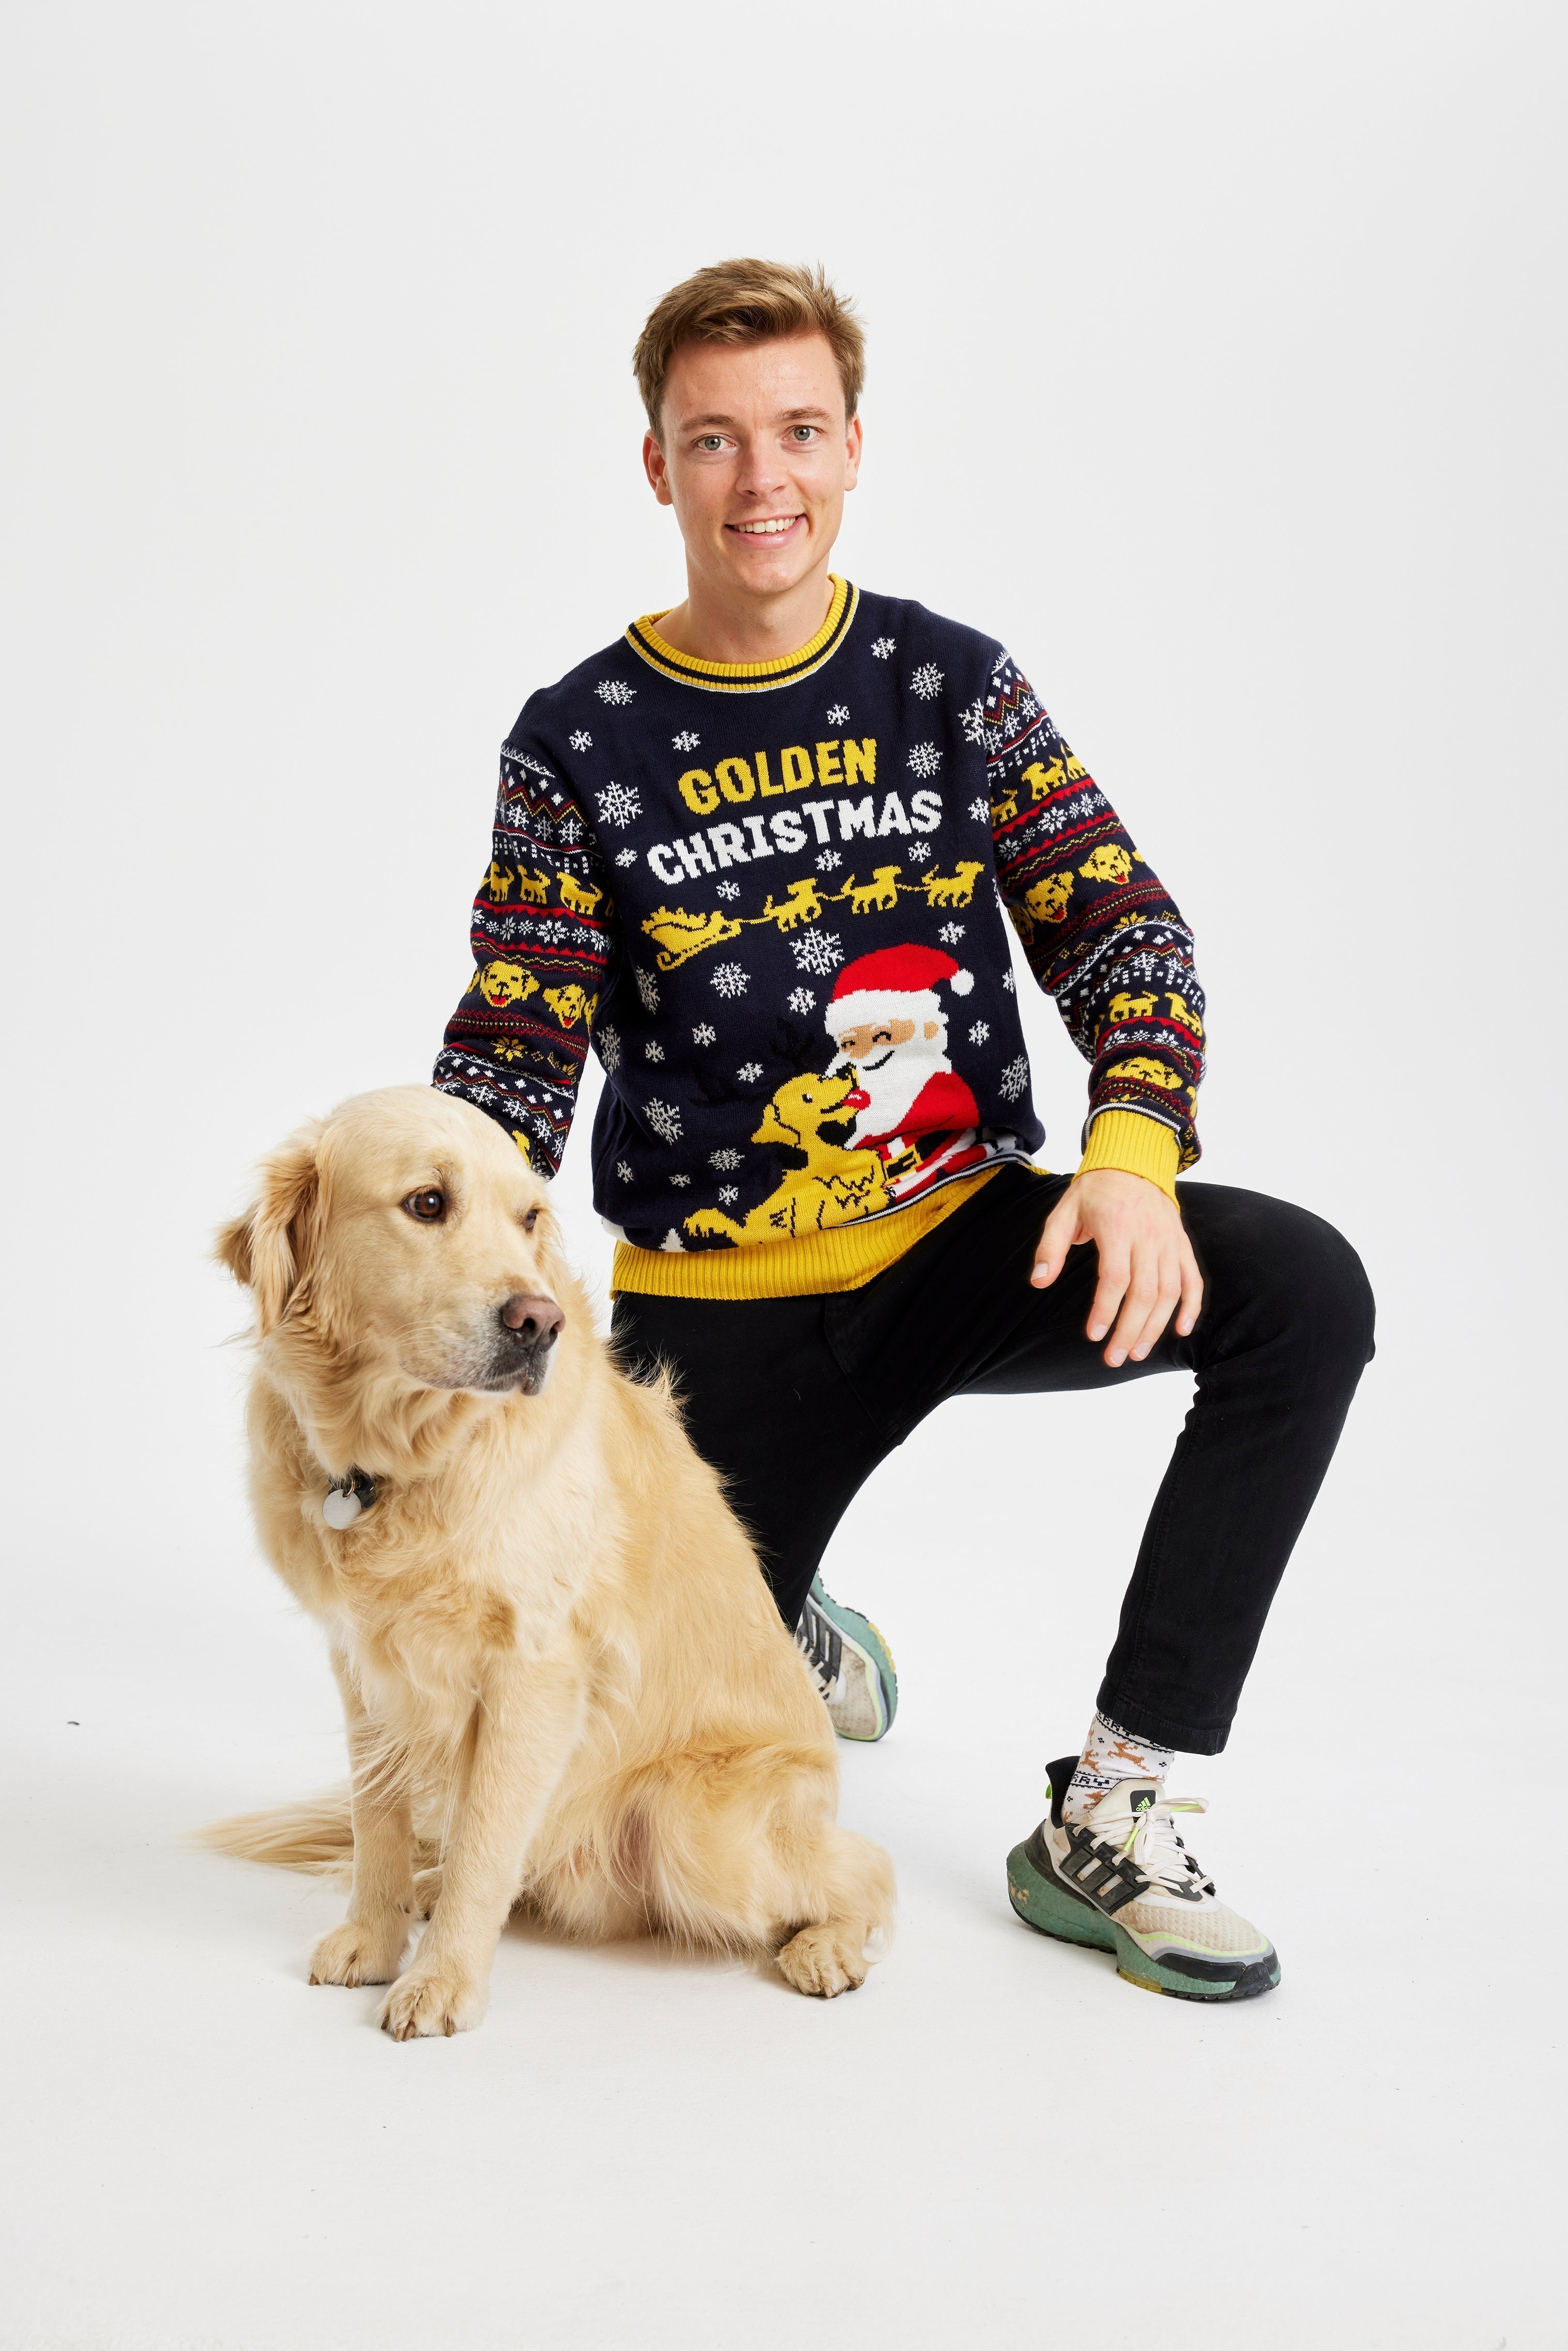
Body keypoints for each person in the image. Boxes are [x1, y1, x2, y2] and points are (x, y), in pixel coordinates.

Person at [432, 259, 1375, 2003]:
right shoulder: (576, 740)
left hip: (969, 1241)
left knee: (1301, 1289)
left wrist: (1129, 1154)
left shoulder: (948, 682)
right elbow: (518, 1039)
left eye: (795, 431)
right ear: (656, 466)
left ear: (853, 447)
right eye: (712, 440)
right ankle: (780, 1625)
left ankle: (1110, 1803)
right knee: (626, 1822)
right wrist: (441, 1271)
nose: (758, 478)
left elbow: (1123, 931)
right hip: (710, 1330)